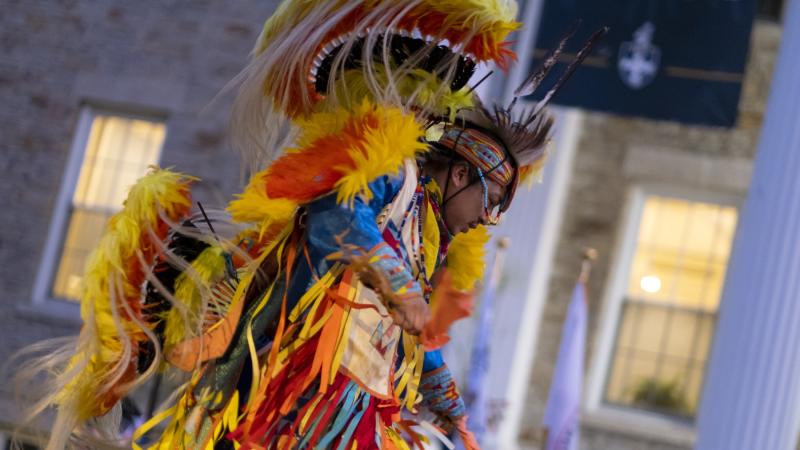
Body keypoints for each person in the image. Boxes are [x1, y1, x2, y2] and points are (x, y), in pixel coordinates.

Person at [21, 1, 604, 448]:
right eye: (492, 198)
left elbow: (408, 336)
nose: (490, 217)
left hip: (360, 407)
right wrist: (395, 285)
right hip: (301, 398)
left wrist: (444, 395)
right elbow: (333, 221)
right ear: (458, 176)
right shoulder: (387, 169)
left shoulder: (422, 239)